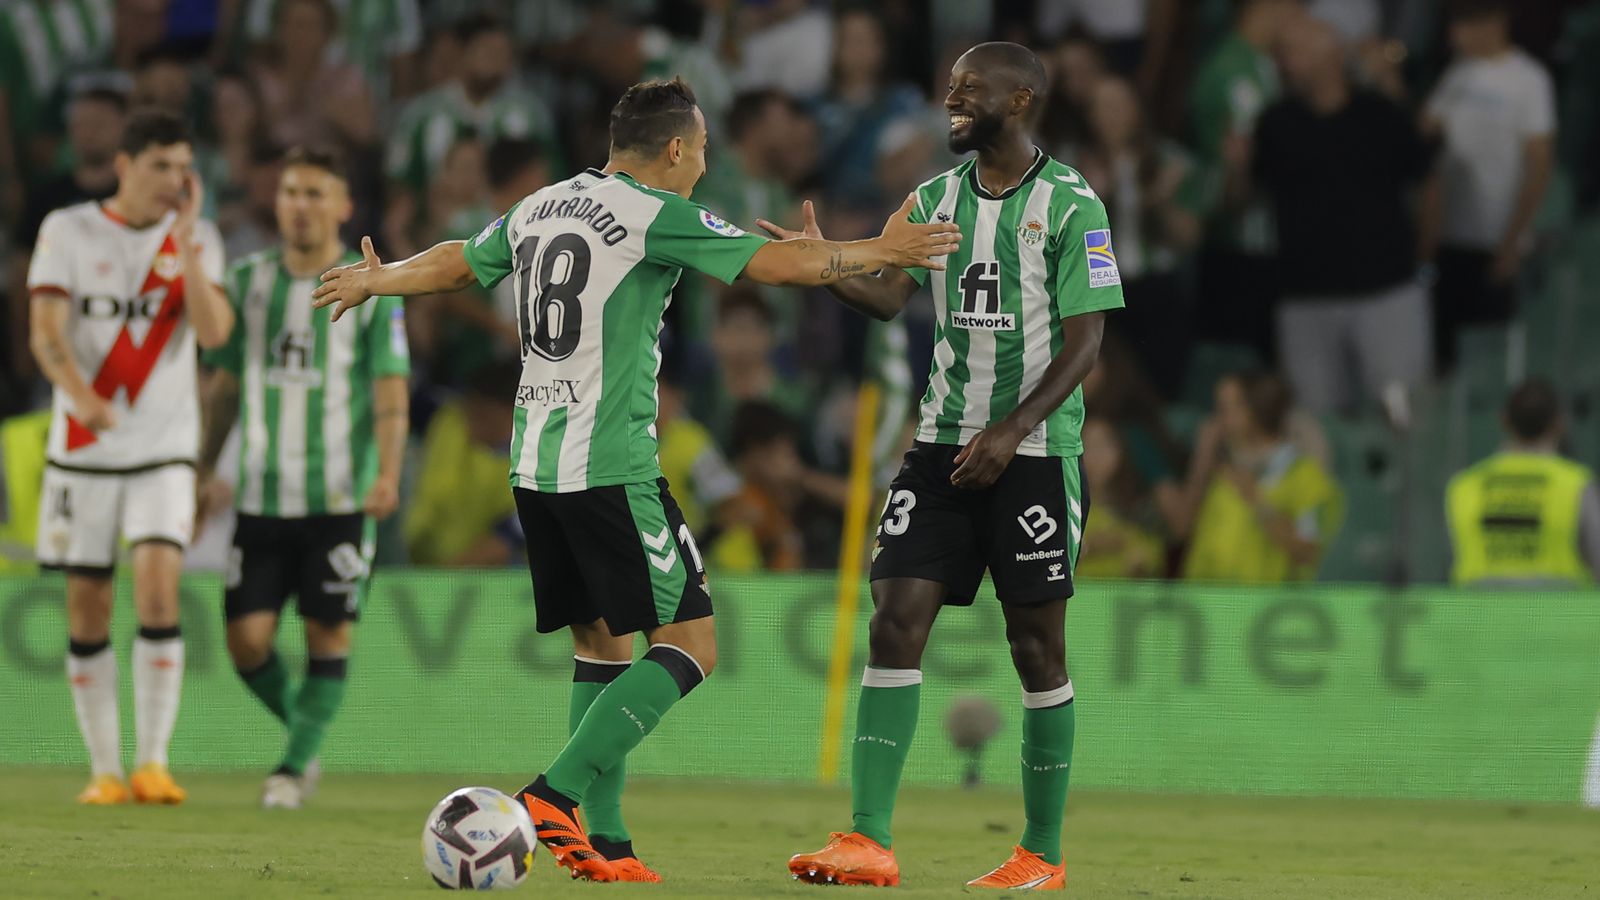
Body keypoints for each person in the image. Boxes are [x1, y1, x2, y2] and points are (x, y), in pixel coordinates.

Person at [310, 77, 960, 883]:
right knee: (691, 645)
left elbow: (456, 266)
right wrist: (883, 252)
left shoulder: (543, 205)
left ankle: (604, 843)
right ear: (677, 149)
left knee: (602, 644)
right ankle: (556, 795)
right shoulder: (656, 213)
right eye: (704, 150)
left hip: (535, 465)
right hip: (609, 464)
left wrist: (379, 278)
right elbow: (777, 264)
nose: (703, 165)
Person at [764, 42, 1123, 890]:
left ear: (1023, 98)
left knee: (1036, 649)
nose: (952, 103)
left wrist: (1013, 429)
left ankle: (1041, 852)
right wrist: (831, 264)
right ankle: (867, 839)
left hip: (1034, 454)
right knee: (894, 622)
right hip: (937, 448)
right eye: (950, 90)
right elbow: (890, 296)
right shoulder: (933, 199)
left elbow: (1089, 340)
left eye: (970, 92)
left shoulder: (1073, 204)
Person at [27, 108, 233, 805]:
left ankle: (153, 762)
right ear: (125, 166)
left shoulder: (198, 237)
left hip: (164, 452)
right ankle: (103, 771)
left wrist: (184, 245)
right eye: (160, 167)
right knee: (85, 607)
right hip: (83, 450)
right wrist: (81, 395)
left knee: (157, 588)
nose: (174, 181)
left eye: (183, 168)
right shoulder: (68, 230)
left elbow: (215, 333)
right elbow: (45, 331)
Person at [194, 145, 409, 809]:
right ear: (275, 201)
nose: (301, 205)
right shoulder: (247, 280)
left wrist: (389, 472)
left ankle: (289, 769)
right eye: (290, 191)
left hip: (341, 494)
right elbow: (226, 384)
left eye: (316, 193)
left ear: (343, 206)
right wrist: (202, 466)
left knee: (327, 632)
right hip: (261, 495)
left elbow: (390, 391)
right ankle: (306, 739)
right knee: (246, 640)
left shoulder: (373, 289)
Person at [1251, 16, 1434, 416]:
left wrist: (1425, 250)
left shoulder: (1381, 115)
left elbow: (1426, 178)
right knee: (1317, 429)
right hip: (1305, 300)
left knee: (1403, 417)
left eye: (1293, 52)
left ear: (1329, 55)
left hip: (1386, 293)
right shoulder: (1274, 124)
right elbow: (1247, 197)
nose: (1284, 63)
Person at [1421, 0, 1556, 370]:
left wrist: (1513, 241)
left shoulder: (1528, 79)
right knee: (1441, 350)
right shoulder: (1456, 75)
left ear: (1495, 23)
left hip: (1495, 242)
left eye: (1464, 25)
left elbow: (1539, 166)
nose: (1455, 36)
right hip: (1448, 238)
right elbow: (1424, 135)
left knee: (1488, 355)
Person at [1176, 371, 1343, 583]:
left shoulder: (1306, 478)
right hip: (1209, 610)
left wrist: (1257, 501)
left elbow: (1310, 552)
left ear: (1253, 411)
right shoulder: (1223, 474)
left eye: (1225, 409)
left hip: (1266, 612)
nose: (1218, 419)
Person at [1445, 379, 1599, 587]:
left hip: (1480, 616)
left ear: (1504, 420)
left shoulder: (1464, 485)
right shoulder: (1575, 484)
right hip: (1558, 617)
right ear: (1558, 424)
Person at [404, 363, 523, 567]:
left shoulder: (541, 467)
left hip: (495, 586)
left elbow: (505, 539)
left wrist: (438, 585)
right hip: (418, 564)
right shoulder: (446, 418)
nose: (472, 429)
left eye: (484, 418)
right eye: (470, 415)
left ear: (512, 413)